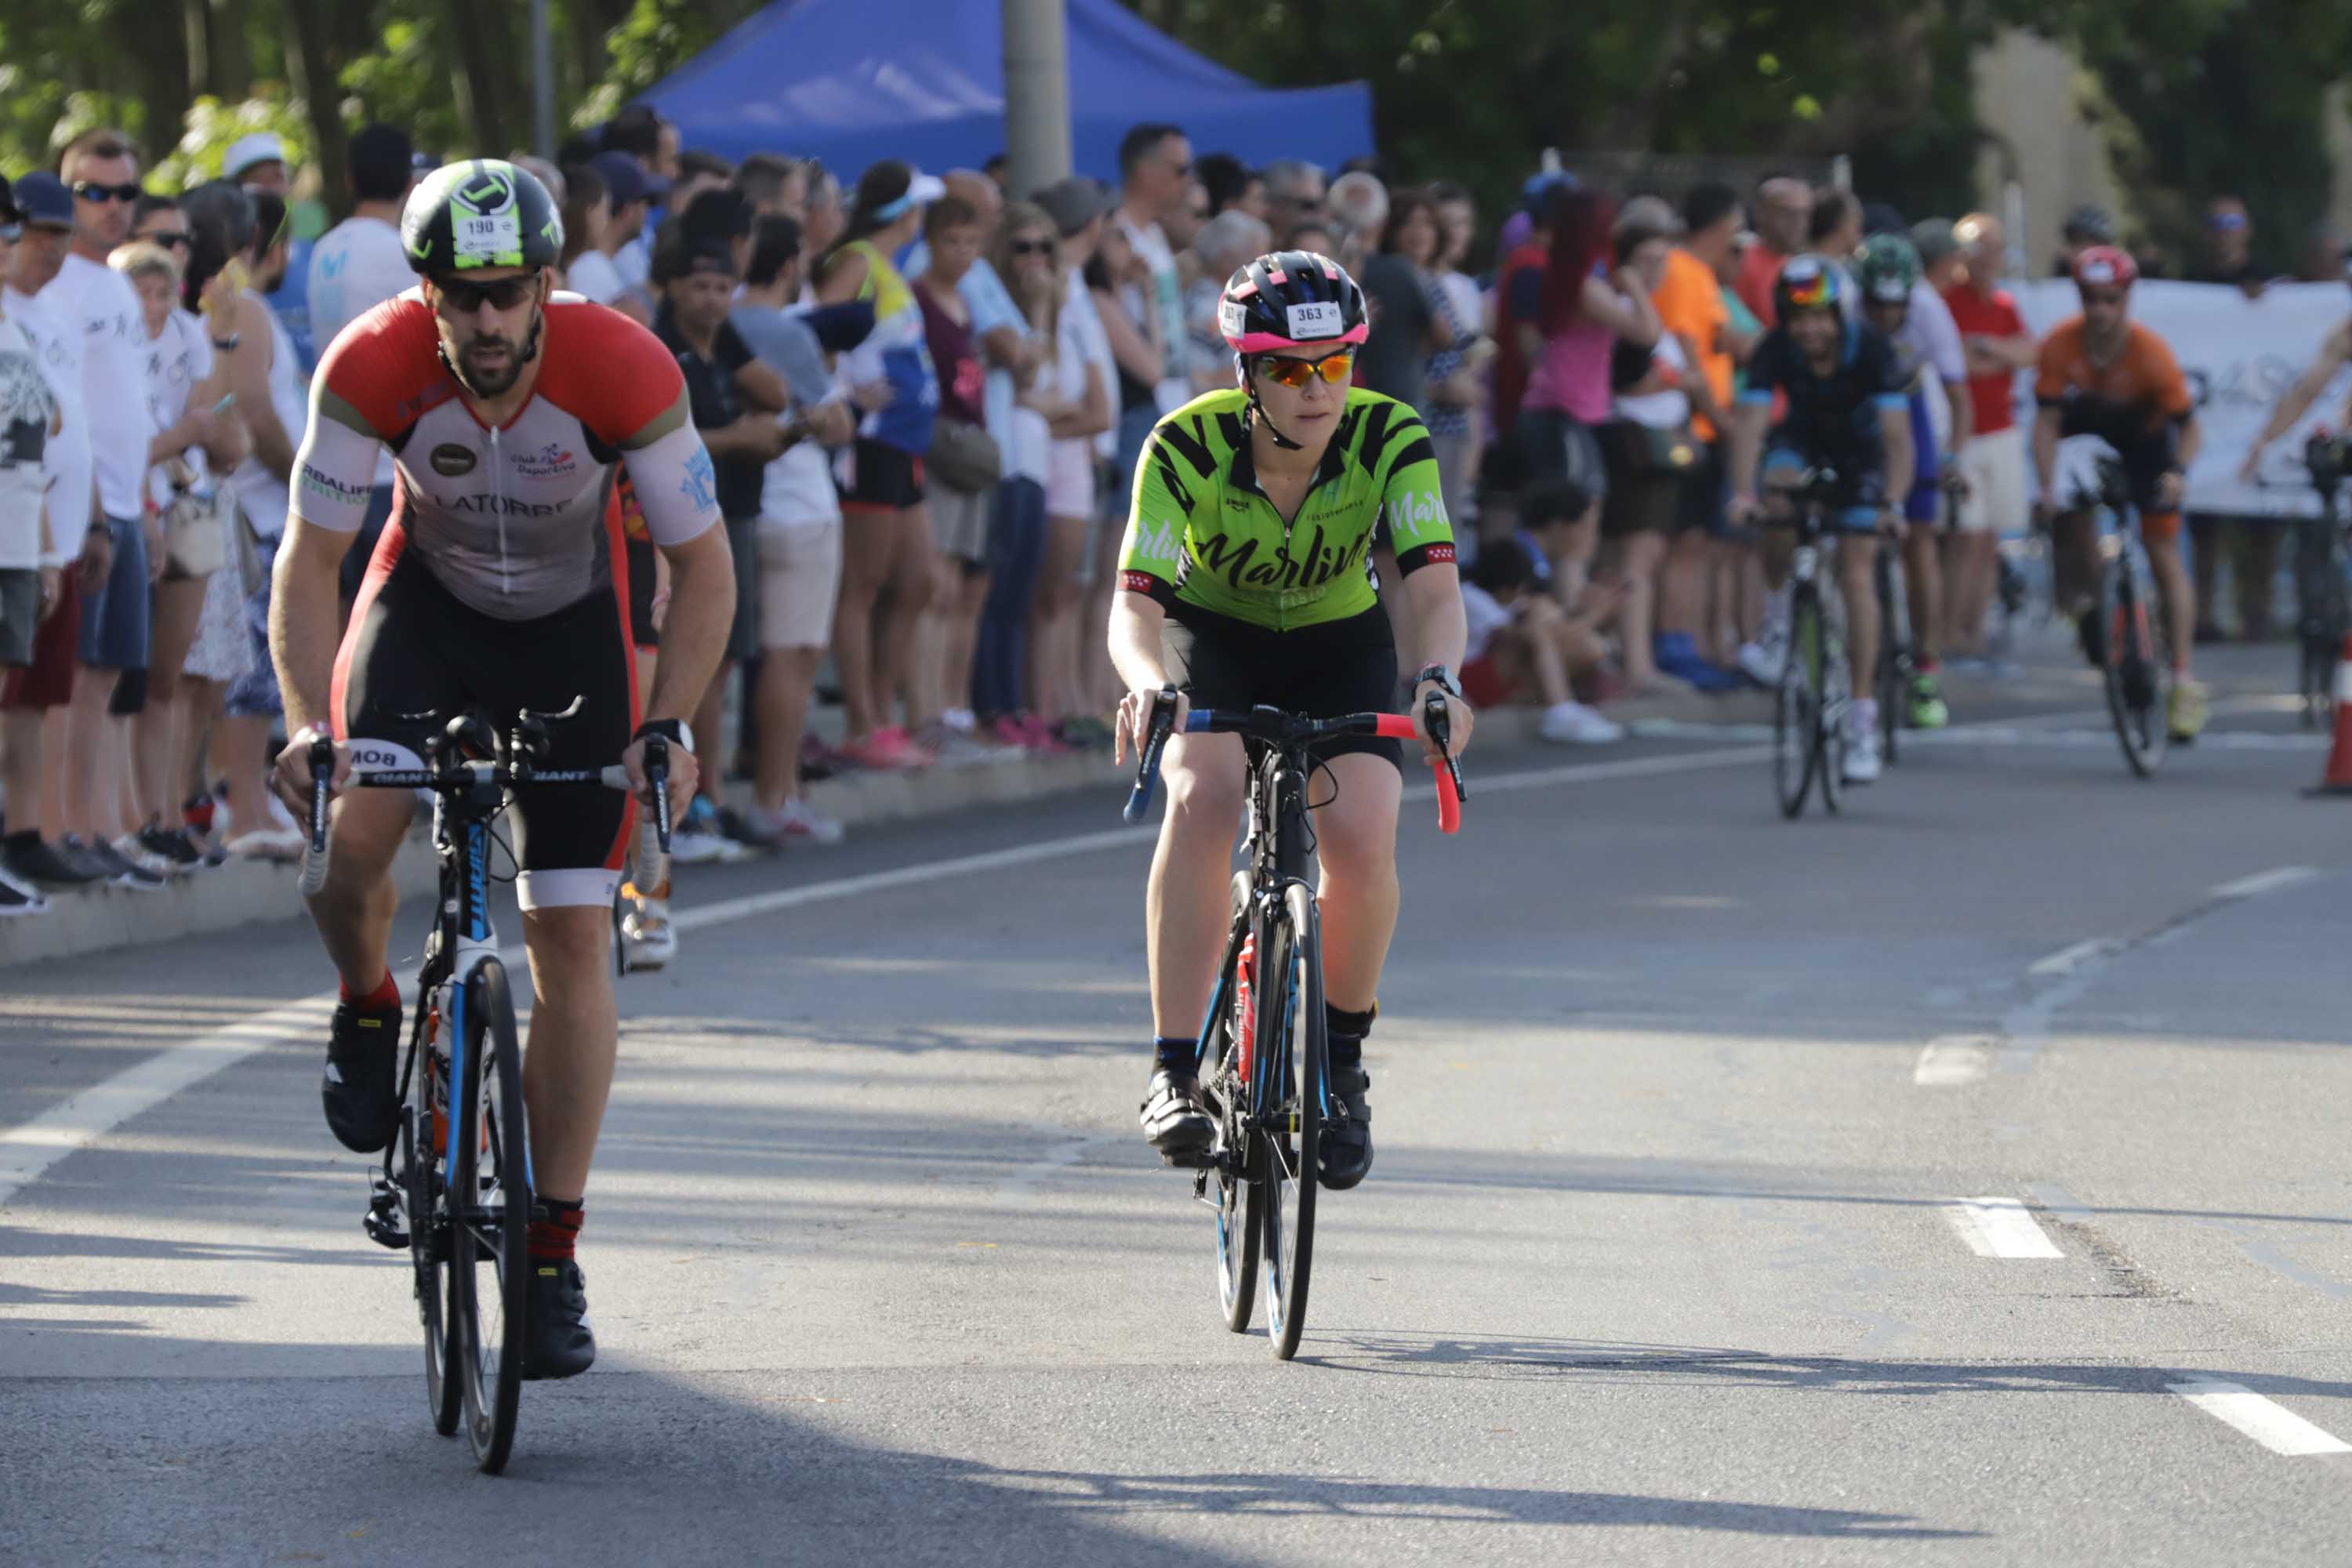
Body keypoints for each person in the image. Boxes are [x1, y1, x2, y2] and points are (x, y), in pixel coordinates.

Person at [270, 159, 734, 1381]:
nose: (486, 322)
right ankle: (371, 1002)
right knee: (347, 843)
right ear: (426, 294)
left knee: (574, 940)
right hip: (425, 610)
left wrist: (669, 725)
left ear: (545, 285)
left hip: (575, 634)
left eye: (507, 295)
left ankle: (550, 1247)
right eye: (460, 297)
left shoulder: (625, 367)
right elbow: (312, 562)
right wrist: (306, 724)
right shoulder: (370, 366)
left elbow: (705, 566)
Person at [1109, 249, 1471, 1189]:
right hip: (1213, 634)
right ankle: (1175, 1067)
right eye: (1289, 370)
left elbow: (1433, 588)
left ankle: (1342, 1068)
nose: (1317, 391)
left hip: (1335, 641)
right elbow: (1135, 606)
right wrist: (1149, 682)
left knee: (1362, 827)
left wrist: (1440, 677)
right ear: (1247, 373)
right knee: (1202, 790)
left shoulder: (1391, 437)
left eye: (1336, 366)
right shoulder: (1183, 444)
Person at [1726, 254, 1915, 785]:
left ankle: (1861, 718)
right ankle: (1781, 613)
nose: (1809, 329)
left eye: (1819, 317)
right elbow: (1750, 426)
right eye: (1798, 318)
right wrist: (1743, 493)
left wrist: (1893, 506)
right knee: (1776, 495)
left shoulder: (1873, 351)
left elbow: (1898, 441)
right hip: (1801, 445)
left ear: (1839, 315)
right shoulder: (1774, 348)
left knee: (1857, 570)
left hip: (1862, 458)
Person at [651, 225, 791, 862]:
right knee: (699, 663)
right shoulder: (661, 347)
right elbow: (661, 440)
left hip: (733, 510)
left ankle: (709, 796)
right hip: (685, 520)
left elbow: (777, 395)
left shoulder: (720, 345)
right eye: (698, 287)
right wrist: (739, 436)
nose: (711, 300)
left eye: (721, 287)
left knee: (726, 662)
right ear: (672, 288)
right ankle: (690, 799)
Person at [2031, 245, 2206, 742]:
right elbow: (2046, 424)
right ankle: (2090, 608)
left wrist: (2178, 472)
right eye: (2090, 299)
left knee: (2163, 549)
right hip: (2089, 440)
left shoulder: (2151, 354)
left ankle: (2185, 678)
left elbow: (2190, 430)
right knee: (2063, 513)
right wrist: (2046, 486)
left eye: (2111, 299)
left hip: (2146, 445)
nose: (2100, 311)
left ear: (2127, 297)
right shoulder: (2060, 346)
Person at [56, 132, 168, 886]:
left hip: (131, 503)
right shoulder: (57, 281)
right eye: (97, 193)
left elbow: (132, 405)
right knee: (71, 676)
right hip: (80, 506)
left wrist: (149, 506)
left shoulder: (121, 283)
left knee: (108, 678)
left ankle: (93, 829)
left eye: (126, 193)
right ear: (69, 196)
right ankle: (57, 829)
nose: (114, 208)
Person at [115, 238, 246, 874]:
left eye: (163, 290)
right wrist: (184, 439)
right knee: (131, 678)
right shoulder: (115, 344)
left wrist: (220, 337)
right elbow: (130, 443)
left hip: (189, 508)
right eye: (141, 290)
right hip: (142, 505)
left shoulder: (187, 336)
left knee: (173, 675)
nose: (153, 302)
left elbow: (214, 413)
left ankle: (169, 815)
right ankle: (134, 816)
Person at [815, 161, 945, 769]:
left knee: (918, 580)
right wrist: (844, 389)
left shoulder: (887, 264)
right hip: (870, 445)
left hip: (903, 445)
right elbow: (813, 328)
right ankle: (863, 724)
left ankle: (885, 716)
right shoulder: (858, 259)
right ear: (906, 213)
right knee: (862, 585)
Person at [731, 216, 855, 846]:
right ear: (787, 266)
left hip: (761, 504)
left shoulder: (728, 321)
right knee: (794, 658)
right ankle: (773, 795)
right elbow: (835, 421)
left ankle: (781, 791)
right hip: (800, 505)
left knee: (782, 657)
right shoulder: (783, 329)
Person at [1514, 186, 1661, 609]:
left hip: (1573, 414)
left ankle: (1571, 614)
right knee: (1576, 522)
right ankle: (1567, 614)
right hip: (1561, 414)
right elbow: (1648, 332)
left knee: (1582, 518)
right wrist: (1633, 282)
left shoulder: (1576, 280)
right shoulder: (1584, 287)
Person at [1855, 233, 1969, 728]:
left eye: (1894, 305)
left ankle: (1926, 665)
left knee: (1920, 542)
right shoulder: (1844, 309)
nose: (1884, 316)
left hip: (1910, 406)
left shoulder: (1928, 310)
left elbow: (1960, 397)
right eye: (1875, 305)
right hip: (1857, 406)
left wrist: (1951, 457)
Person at [308, 123, 422, 612]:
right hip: (390, 470)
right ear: (408, 183)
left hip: (332, 460)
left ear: (350, 179)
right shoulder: (405, 252)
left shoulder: (322, 250)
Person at [1028, 176, 1118, 746]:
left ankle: (1074, 702)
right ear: (1092, 226)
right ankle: (1053, 705)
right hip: (1063, 453)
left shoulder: (1078, 286)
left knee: (1075, 588)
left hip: (1084, 453)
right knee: (1060, 589)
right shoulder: (1061, 288)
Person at [0, 176, 66, 912]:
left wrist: (47, 550)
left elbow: (38, 441)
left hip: (19, 544)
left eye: (11, 231)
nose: (7, 245)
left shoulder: (13, 328)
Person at [1941, 213, 2035, 669]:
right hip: (1964, 435)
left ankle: (1974, 631)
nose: (1986, 260)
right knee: (1964, 535)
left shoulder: (2004, 305)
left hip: (2001, 431)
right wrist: (1996, 356)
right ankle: (1949, 632)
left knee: (1988, 539)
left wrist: (1990, 349)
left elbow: (2028, 353)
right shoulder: (1946, 301)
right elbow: (1955, 365)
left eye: (1993, 250)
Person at [1457, 535, 1614, 730]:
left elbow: (1556, 629)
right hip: (1470, 678)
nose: (1522, 594)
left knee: (1581, 641)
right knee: (1539, 634)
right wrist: (1593, 617)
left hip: (1499, 677)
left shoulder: (1507, 600)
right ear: (1506, 585)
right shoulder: (1471, 596)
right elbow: (1525, 636)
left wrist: (1581, 613)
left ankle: (1569, 706)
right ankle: (1561, 710)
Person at [1354, 187, 1451, 413]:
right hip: (1400, 401)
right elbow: (1444, 337)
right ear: (1389, 229)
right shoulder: (1388, 271)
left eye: (1427, 222)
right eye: (1408, 222)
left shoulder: (1436, 280)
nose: (1419, 232)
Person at [225, 132, 314, 374]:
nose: (270, 188)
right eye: (256, 179)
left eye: (277, 177)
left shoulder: (313, 255)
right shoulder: (219, 266)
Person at [575, 151, 655, 313]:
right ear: (628, 210)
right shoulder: (590, 270)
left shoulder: (597, 266)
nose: (648, 212)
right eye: (645, 204)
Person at [1737, 176, 1812, 326]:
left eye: (1804, 214)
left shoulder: (1806, 266)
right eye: (1787, 213)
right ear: (1761, 213)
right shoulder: (1739, 263)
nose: (1798, 223)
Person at [1258, 160, 1327, 247]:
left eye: (1324, 203)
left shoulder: (1333, 248)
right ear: (1275, 204)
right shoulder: (1249, 249)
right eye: (1309, 205)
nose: (1321, 213)